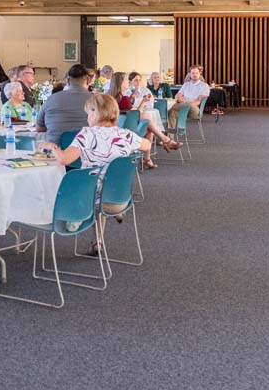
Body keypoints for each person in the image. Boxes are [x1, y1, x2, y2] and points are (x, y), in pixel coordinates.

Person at [39, 93, 150, 254]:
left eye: (89, 113)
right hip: (119, 198)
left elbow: (64, 159)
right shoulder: (125, 134)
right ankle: (97, 241)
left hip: (89, 199)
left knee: (82, 183)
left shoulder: (87, 134)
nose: (87, 118)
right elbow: (146, 145)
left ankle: (75, 217)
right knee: (102, 183)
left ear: (96, 112)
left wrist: (53, 147)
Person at [117, 71, 180, 167]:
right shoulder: (124, 96)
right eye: (133, 81)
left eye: (139, 80)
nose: (136, 83)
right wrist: (142, 101)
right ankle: (165, 140)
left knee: (148, 126)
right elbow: (135, 113)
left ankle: (147, 158)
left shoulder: (120, 96)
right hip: (126, 127)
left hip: (122, 124)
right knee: (146, 118)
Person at [35, 64, 94, 144]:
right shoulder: (98, 101)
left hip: (55, 151)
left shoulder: (52, 99)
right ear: (88, 80)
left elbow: (39, 128)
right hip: (86, 151)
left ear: (68, 81)